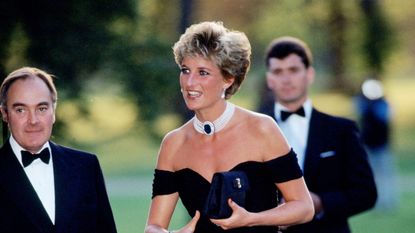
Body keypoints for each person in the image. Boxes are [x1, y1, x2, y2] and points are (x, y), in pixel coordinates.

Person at [145, 21, 314, 233]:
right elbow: (154, 226)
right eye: (185, 70)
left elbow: (304, 207)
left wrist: (251, 219)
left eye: (203, 73)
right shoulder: (174, 143)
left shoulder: (262, 129)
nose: (189, 83)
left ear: (228, 79)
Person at [260, 36, 377, 233]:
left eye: (294, 70)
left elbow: (366, 193)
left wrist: (321, 202)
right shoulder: (254, 130)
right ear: (269, 79)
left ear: (310, 74)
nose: (286, 79)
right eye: (278, 71)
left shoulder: (342, 130)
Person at [0, 67, 117, 233]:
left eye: (42, 108)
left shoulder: (86, 167)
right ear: (5, 114)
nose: (33, 121)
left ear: (53, 111)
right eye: (21, 110)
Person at [355, 78, 398, 210]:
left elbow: (383, 117)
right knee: (371, 175)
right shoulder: (363, 103)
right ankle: (375, 201)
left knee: (386, 174)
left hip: (382, 145)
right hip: (368, 144)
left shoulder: (383, 104)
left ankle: (389, 201)